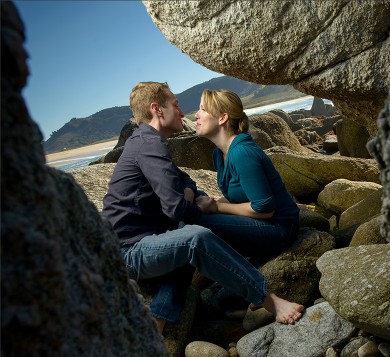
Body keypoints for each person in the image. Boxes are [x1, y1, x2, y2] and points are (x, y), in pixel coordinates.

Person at [102, 81, 303, 333]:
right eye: (175, 104)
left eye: (199, 109)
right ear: (157, 109)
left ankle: (158, 321)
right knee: (194, 236)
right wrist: (197, 202)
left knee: (187, 229)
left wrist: (198, 199)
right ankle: (267, 299)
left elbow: (186, 182)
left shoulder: (148, 142)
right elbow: (177, 207)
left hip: (138, 242)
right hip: (127, 250)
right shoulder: (149, 145)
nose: (184, 112)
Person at [192, 89, 300, 266]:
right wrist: (210, 203)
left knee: (197, 221)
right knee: (195, 202)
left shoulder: (242, 153)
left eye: (202, 109)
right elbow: (239, 194)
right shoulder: (219, 154)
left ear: (222, 118)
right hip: (260, 221)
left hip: (280, 228)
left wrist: (217, 207)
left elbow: (264, 208)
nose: (196, 115)